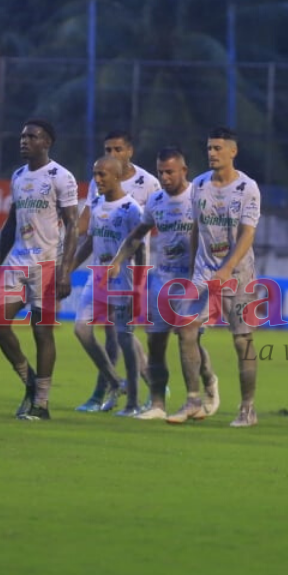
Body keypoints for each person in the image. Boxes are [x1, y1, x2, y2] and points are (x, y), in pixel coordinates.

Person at [108, 147, 219, 420]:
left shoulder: (199, 197)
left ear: (184, 171)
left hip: (193, 281)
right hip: (161, 280)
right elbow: (138, 234)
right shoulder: (156, 201)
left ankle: (201, 392)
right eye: (160, 172)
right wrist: (119, 259)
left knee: (186, 336)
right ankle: (158, 404)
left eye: (170, 171)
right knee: (156, 342)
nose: (165, 177)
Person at [0, 119, 78, 421]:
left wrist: (66, 271)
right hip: (17, 262)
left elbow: (74, 225)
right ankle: (29, 382)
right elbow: (10, 224)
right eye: (23, 135)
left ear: (47, 142)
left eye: (32, 136)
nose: (24, 141)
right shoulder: (18, 176)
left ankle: (42, 403)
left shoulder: (61, 177)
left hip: (48, 264)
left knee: (42, 332)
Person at [175, 127, 261, 427]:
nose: (211, 153)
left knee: (242, 341)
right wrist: (192, 269)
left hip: (238, 274)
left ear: (232, 152)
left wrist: (226, 269)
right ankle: (193, 401)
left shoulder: (248, 188)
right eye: (209, 148)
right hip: (203, 271)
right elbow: (197, 227)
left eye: (217, 148)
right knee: (184, 330)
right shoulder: (198, 185)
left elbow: (248, 234)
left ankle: (248, 408)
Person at [77, 130, 161, 405]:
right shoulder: (99, 184)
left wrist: (141, 279)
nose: (112, 154)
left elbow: (146, 235)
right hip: (101, 271)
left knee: (120, 335)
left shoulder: (149, 184)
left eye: (117, 149)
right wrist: (67, 265)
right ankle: (119, 385)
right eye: (108, 149)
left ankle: (121, 394)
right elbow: (89, 230)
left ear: (129, 151)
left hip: (126, 271)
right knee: (92, 330)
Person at [70, 156, 145, 416]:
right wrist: (69, 268)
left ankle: (133, 402)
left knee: (125, 340)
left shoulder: (131, 209)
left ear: (117, 176)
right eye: (95, 174)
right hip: (97, 277)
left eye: (102, 175)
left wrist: (138, 288)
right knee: (81, 329)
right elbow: (90, 241)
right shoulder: (99, 204)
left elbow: (140, 248)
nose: (97, 180)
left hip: (122, 280)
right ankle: (115, 381)